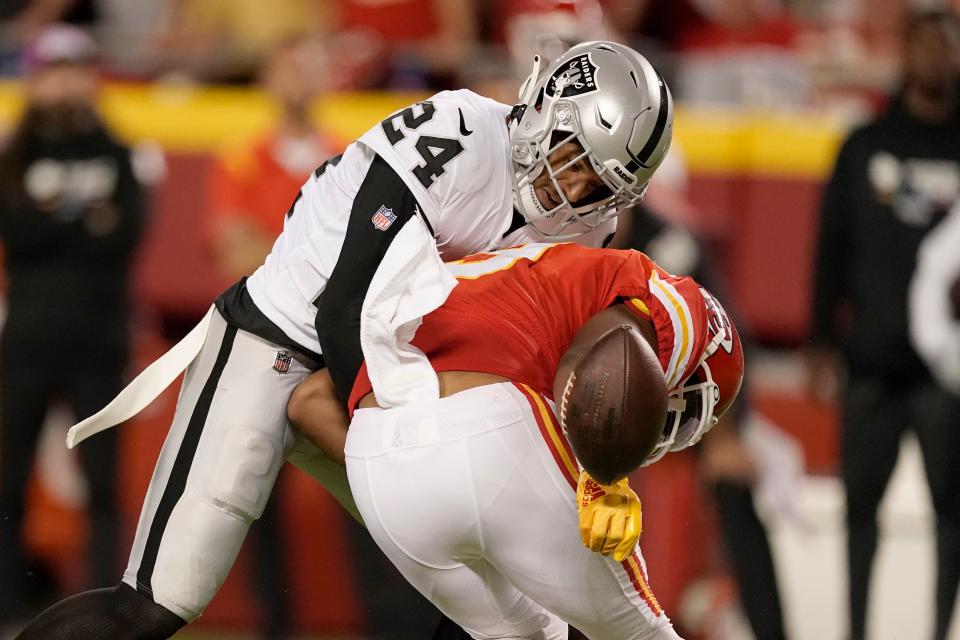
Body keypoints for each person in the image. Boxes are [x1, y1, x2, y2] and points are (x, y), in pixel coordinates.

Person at [16, 40, 675, 639]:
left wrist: (587, 472)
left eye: (601, 184)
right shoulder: (459, 132)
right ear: (541, 108)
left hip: (394, 368)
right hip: (280, 339)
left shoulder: (591, 226)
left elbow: (528, 362)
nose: (577, 189)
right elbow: (344, 301)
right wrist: (401, 443)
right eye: (573, 158)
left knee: (495, 574)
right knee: (156, 604)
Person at [287, 241, 744, 639]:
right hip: (490, 430)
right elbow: (601, 367)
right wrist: (604, 477)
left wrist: (417, 475)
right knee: (642, 632)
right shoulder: (684, 308)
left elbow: (307, 402)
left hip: (380, 473)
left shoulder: (496, 280)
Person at [808, 10, 960, 640]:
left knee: (951, 517)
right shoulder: (863, 144)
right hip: (870, 361)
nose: (933, 57)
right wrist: (819, 337)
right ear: (902, 55)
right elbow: (829, 247)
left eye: (945, 45)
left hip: (946, 375)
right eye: (922, 44)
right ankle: (853, 630)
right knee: (859, 516)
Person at [0, 24, 145, 628]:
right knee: (7, 477)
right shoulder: (15, 153)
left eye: (76, 68)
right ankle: (6, 606)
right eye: (54, 70)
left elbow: (126, 238)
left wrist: (49, 217)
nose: (65, 82)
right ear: (36, 78)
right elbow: (18, 235)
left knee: (105, 483)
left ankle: (105, 612)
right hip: (28, 334)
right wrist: (83, 218)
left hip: (98, 336)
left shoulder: (117, 150)